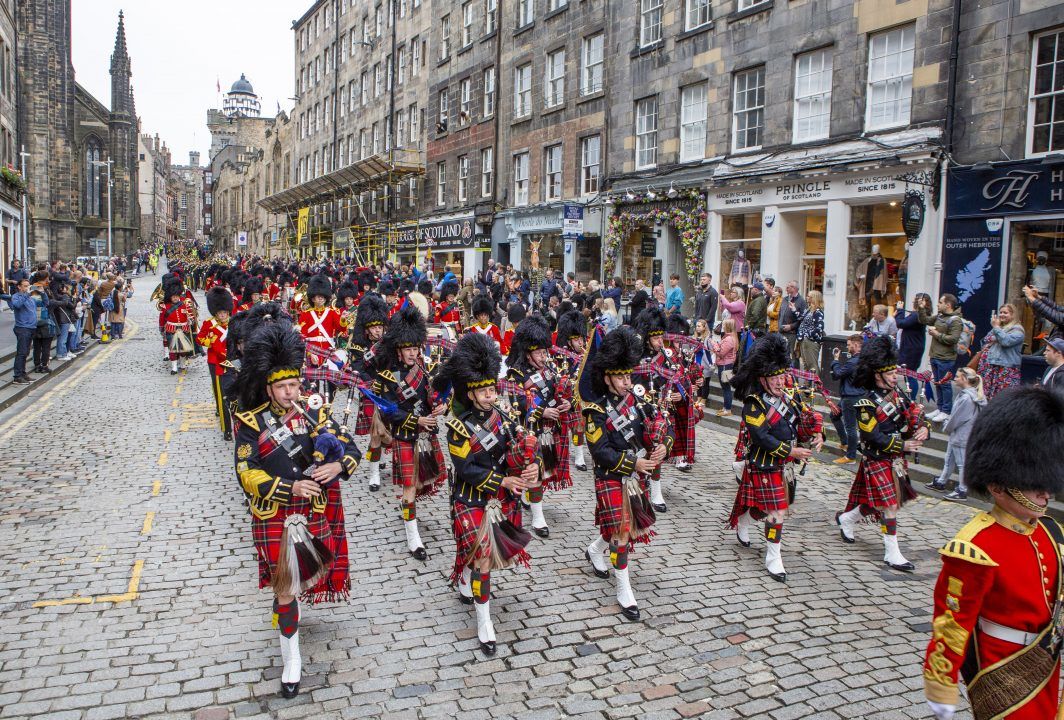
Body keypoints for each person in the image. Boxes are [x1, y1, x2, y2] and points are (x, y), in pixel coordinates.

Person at [231, 322, 361, 699]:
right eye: (282, 387)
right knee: (286, 589)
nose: (291, 393)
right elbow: (245, 472)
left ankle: (289, 614)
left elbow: (350, 448)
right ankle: (292, 660)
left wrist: (338, 466)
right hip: (274, 514)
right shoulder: (250, 423)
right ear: (268, 387)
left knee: (298, 580)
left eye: (295, 386)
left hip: (313, 510)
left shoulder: (314, 414)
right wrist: (289, 487)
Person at [922, 386, 1064, 720]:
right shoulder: (975, 546)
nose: (1045, 491)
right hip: (1003, 665)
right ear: (998, 486)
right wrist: (940, 681)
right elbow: (952, 623)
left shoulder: (1052, 532)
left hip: (1049, 658)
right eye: (1034, 483)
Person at [438, 333, 538, 656]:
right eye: (483, 390)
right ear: (470, 391)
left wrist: (529, 465)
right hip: (469, 498)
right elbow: (466, 470)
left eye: (492, 389)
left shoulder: (505, 418)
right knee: (482, 558)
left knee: (478, 557)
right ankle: (485, 622)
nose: (490, 396)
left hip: (497, 500)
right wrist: (503, 482)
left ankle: (465, 576)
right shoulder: (458, 427)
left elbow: (515, 450)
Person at [579, 326, 673, 620]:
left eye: (628, 375)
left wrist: (663, 448)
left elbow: (661, 425)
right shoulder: (595, 410)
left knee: (620, 526)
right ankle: (624, 589)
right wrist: (634, 464)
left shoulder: (638, 401)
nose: (626, 381)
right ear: (606, 376)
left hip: (636, 476)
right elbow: (600, 452)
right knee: (621, 531)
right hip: (611, 476)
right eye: (620, 376)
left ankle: (596, 550)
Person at [728, 334, 824, 582]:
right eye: (775, 377)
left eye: (782, 376)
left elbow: (800, 426)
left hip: (785, 467)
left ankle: (744, 519)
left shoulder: (790, 399)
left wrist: (816, 433)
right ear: (763, 379)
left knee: (765, 509)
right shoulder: (753, 404)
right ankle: (773, 557)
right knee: (777, 510)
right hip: (764, 463)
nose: (781, 381)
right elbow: (761, 438)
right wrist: (791, 451)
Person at [835, 336, 929, 572]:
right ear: (878, 375)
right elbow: (872, 437)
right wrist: (903, 446)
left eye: (895, 372)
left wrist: (924, 427)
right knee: (889, 505)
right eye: (890, 373)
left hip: (895, 460)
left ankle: (847, 519)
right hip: (877, 457)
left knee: (878, 502)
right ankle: (892, 553)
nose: (895, 376)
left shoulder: (899, 394)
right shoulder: (865, 403)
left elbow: (915, 414)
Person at [373, 306, 447, 560]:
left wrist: (440, 406)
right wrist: (416, 419)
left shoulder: (425, 369)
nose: (414, 353)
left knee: (417, 484)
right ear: (398, 350)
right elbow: (388, 413)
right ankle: (413, 535)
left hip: (426, 436)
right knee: (409, 488)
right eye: (409, 349)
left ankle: (409, 515)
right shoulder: (387, 377)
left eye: (416, 348)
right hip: (405, 436)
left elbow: (431, 397)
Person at [506, 315, 571, 536]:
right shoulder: (516, 374)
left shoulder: (549, 369)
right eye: (540, 353)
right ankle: (538, 518)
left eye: (545, 352)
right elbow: (519, 403)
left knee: (543, 472)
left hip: (550, 429)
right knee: (535, 472)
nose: (545, 357)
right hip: (531, 429)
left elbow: (556, 392)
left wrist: (565, 403)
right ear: (528, 352)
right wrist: (542, 411)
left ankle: (529, 499)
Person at [926, 367, 986, 501]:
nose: (955, 378)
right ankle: (941, 481)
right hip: (959, 434)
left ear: (964, 379)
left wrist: (947, 427)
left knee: (961, 463)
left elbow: (957, 418)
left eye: (958, 376)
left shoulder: (966, 398)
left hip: (961, 435)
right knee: (949, 459)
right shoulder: (970, 395)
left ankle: (962, 490)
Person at [197, 287, 235, 441]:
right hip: (215, 362)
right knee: (220, 394)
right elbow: (199, 339)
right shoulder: (208, 324)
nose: (223, 315)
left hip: (231, 361)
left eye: (224, 312)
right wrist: (210, 342)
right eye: (220, 313)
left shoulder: (233, 323)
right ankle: (226, 428)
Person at [919, 294, 963, 422]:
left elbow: (953, 339)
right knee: (938, 383)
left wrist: (937, 334)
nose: (937, 304)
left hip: (946, 357)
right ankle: (940, 408)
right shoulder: (939, 316)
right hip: (935, 355)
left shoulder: (955, 320)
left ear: (948, 305)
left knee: (945, 384)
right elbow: (924, 321)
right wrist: (921, 308)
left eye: (940, 302)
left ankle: (946, 411)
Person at [555, 309, 589, 471]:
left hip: (579, 397)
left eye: (581, 339)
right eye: (576, 340)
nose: (580, 343)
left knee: (579, 426)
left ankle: (579, 454)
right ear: (569, 341)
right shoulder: (562, 355)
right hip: (564, 395)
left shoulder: (586, 353)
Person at [976, 303, 1025, 401]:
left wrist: (997, 329)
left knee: (1003, 398)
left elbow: (1006, 341)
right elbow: (986, 339)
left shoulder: (1018, 330)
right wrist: (997, 333)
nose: (1002, 315)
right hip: (991, 367)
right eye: (1001, 312)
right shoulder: (1000, 327)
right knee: (987, 396)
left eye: (1005, 313)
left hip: (1006, 369)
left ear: (1013, 315)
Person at [829, 334, 864, 464]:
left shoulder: (853, 362)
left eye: (849, 345)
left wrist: (836, 360)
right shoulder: (861, 360)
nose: (847, 347)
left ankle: (851, 456)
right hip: (850, 395)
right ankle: (845, 443)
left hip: (851, 397)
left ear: (856, 345)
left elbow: (838, 374)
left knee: (850, 427)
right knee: (834, 415)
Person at [0, 276, 36, 384]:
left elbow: (43, 304)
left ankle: (23, 373)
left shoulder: (30, 297)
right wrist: (27, 295)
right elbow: (17, 305)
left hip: (31, 327)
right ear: (19, 287)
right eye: (25, 286)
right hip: (22, 328)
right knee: (21, 352)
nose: (27, 288)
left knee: (25, 353)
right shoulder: (16, 296)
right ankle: (17, 376)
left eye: (28, 286)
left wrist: (42, 294)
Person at [895, 294, 930, 399]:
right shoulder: (918, 314)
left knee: (910, 374)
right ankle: (911, 398)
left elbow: (901, 323)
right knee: (909, 374)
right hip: (912, 347)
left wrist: (900, 310)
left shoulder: (917, 315)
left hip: (912, 348)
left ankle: (912, 399)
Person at [158, 275, 194, 375]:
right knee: (173, 350)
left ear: (179, 296)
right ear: (170, 296)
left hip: (183, 328)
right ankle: (174, 367)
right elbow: (162, 319)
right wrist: (161, 328)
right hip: (171, 329)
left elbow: (189, 316)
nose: (175, 298)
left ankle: (182, 364)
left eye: (176, 296)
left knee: (183, 349)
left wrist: (190, 320)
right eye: (173, 296)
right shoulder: (165, 306)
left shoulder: (184, 304)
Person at [710, 319, 739, 416]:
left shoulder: (729, 339)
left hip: (725, 366)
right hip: (725, 364)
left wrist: (714, 345)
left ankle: (727, 409)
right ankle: (725, 408)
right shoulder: (730, 338)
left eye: (724, 325)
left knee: (726, 388)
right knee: (725, 387)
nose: (722, 327)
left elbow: (721, 353)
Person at [795, 290, 824, 376]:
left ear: (814, 298)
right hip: (804, 340)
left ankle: (815, 386)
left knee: (812, 365)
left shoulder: (818, 311)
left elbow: (819, 328)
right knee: (806, 364)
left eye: (809, 296)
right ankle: (807, 385)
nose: (807, 298)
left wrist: (807, 336)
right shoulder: (809, 309)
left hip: (811, 342)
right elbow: (800, 318)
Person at [778, 281, 807, 354]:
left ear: (794, 288)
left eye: (789, 287)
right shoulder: (785, 299)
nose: (786, 288)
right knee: (781, 354)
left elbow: (803, 319)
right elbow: (780, 314)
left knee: (792, 356)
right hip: (781, 332)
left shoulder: (801, 301)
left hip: (792, 334)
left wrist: (791, 326)